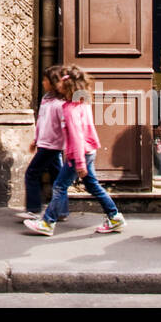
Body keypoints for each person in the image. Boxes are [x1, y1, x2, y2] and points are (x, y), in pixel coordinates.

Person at [22, 65, 125, 237]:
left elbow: (76, 137)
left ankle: (47, 223)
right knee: (92, 185)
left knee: (59, 186)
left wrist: (79, 162)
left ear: (68, 87)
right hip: (89, 150)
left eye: (62, 83)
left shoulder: (69, 109)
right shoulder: (82, 104)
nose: (58, 86)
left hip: (79, 154)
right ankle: (114, 216)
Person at [14, 66, 65, 220]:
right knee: (58, 177)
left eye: (45, 80)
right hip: (45, 143)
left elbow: (64, 126)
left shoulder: (60, 103)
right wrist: (36, 139)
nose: (43, 82)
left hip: (52, 144)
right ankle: (62, 211)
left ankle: (34, 209)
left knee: (32, 173)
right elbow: (42, 121)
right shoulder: (46, 99)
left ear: (53, 82)